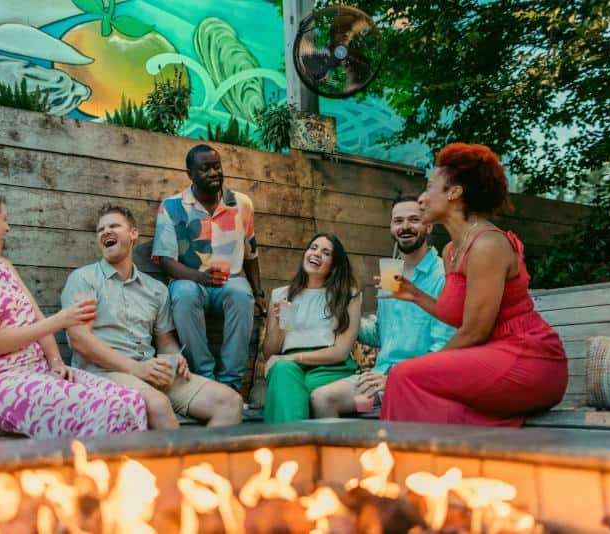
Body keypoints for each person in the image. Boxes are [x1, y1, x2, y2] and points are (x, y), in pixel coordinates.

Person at [0, 188, 147, 438]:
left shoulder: (2, 267)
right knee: (107, 410)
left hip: (39, 371)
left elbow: (37, 319)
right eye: (4, 219)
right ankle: (86, 471)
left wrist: (55, 362)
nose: (8, 228)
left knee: (131, 400)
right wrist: (63, 319)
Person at [380, 143, 568, 426]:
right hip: (491, 356)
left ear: (455, 193)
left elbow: (475, 331)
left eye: (429, 188)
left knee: (404, 375)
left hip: (530, 358)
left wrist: (431, 364)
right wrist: (415, 294)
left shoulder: (487, 245)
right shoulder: (452, 251)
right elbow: (457, 316)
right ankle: (449, 463)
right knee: (410, 382)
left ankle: (404, 464)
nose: (421, 198)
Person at [62, 204, 243, 430]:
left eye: (114, 226)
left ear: (133, 233)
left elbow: (165, 342)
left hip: (149, 371)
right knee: (158, 404)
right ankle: (182, 466)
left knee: (230, 403)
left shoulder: (156, 290)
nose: (105, 232)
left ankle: (203, 465)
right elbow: (79, 340)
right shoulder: (84, 279)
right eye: (100, 230)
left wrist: (175, 358)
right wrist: (135, 368)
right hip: (102, 373)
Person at [310, 197, 455, 417]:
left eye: (414, 220)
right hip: (380, 374)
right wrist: (343, 316)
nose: (405, 227)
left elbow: (442, 348)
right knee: (321, 399)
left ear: (428, 226)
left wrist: (396, 379)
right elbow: (382, 333)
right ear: (391, 228)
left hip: (418, 381)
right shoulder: (391, 271)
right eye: (398, 221)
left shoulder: (441, 275)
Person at [152, 143, 267, 391]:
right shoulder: (171, 207)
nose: (214, 173)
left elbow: (251, 253)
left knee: (241, 294)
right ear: (190, 174)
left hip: (230, 279)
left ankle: (231, 383)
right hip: (190, 279)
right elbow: (165, 260)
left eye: (217, 166)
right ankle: (204, 377)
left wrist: (258, 293)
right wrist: (199, 277)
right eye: (205, 169)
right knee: (183, 294)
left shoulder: (241, 203)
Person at [261, 233, 362, 423]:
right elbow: (269, 353)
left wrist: (290, 357)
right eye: (313, 247)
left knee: (287, 384)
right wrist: (281, 321)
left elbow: (340, 353)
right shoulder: (281, 294)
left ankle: (287, 447)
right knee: (283, 372)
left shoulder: (347, 295)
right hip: (289, 367)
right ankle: (298, 445)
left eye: (326, 252)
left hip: (330, 368)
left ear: (334, 265)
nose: (316, 253)